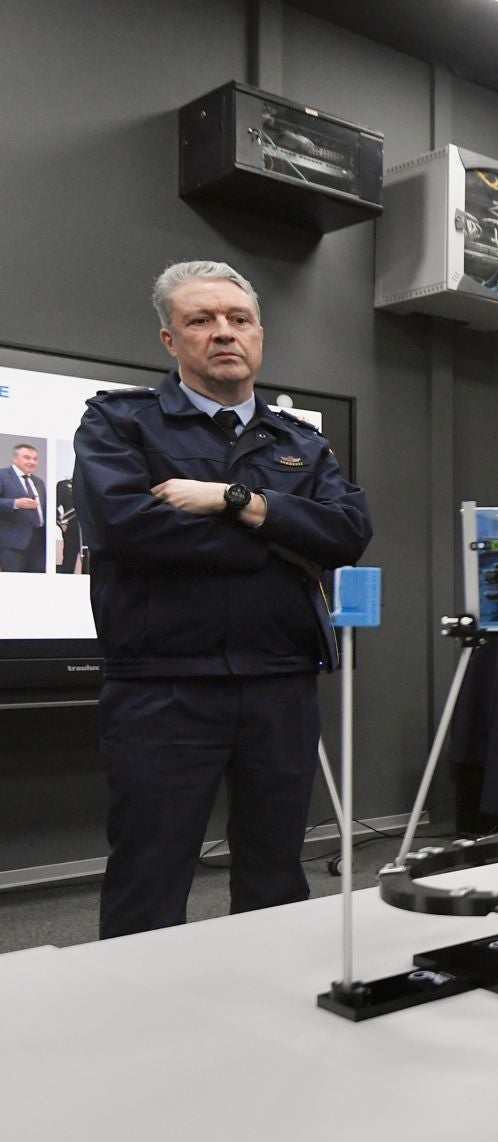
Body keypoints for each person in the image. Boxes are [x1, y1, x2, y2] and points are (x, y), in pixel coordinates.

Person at [74, 260, 372, 937]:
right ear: (169, 340)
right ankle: (139, 1032)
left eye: (238, 319)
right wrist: (280, 534)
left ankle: (272, 1024)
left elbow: (350, 532)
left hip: (280, 683)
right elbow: (128, 528)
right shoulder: (120, 424)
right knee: (149, 876)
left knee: (276, 874)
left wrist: (232, 499)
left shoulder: (301, 440)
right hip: (162, 687)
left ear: (259, 334)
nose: (223, 333)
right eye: (200, 320)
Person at [1, 443, 48, 571]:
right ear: (15, 458)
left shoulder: (38, 482)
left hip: (39, 542)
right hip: (13, 543)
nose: (32, 462)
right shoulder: (3, 476)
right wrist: (15, 503)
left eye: (35, 459)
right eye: (27, 457)